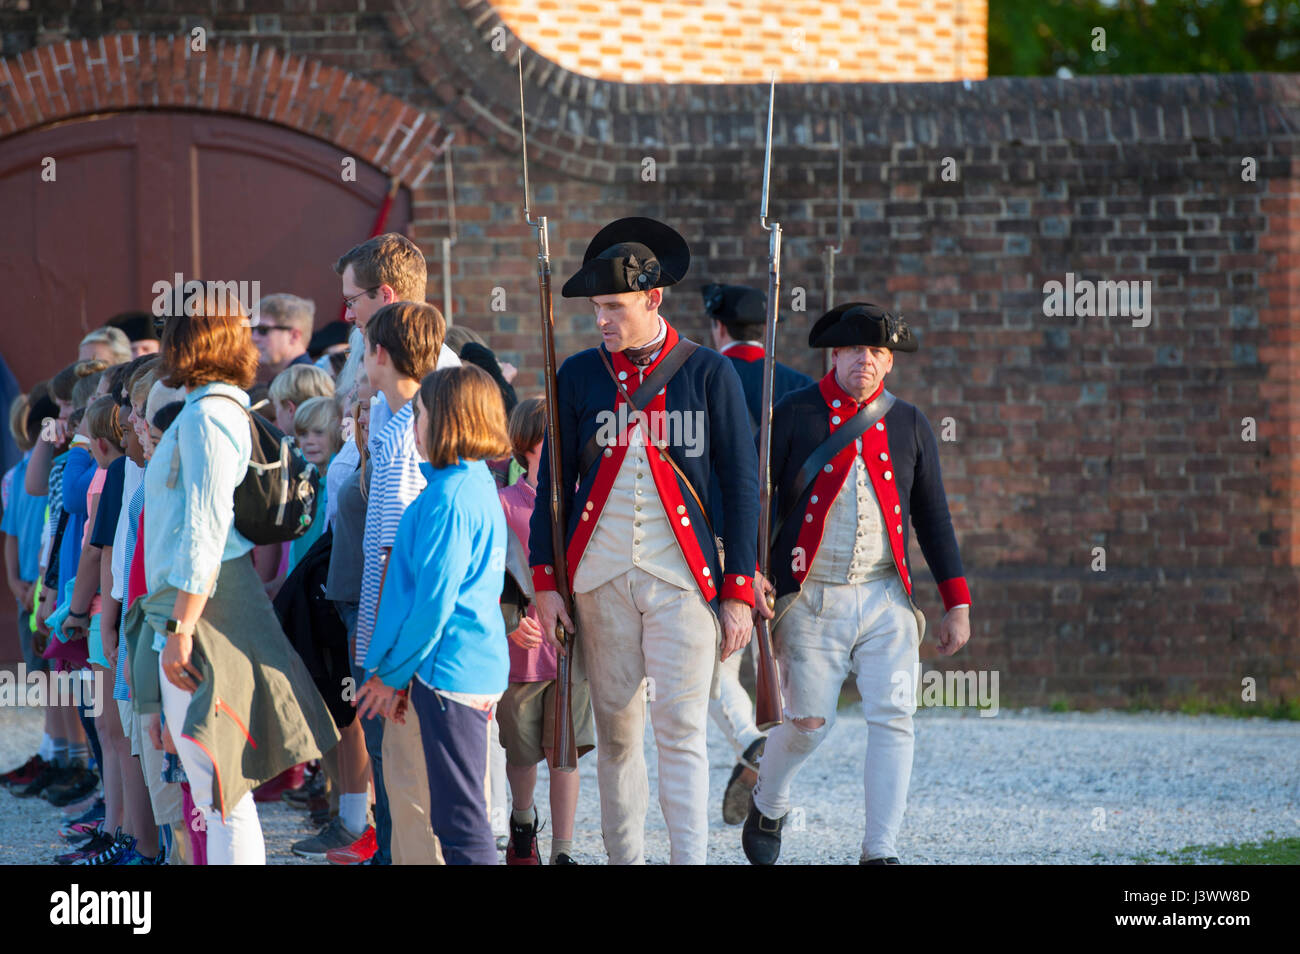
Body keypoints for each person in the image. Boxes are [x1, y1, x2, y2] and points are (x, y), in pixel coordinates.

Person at [529, 216, 760, 865]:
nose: (602, 320)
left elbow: (742, 489)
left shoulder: (709, 373)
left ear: (653, 299)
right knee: (619, 735)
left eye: (615, 307)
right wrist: (547, 583)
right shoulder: (576, 375)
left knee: (682, 731)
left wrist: (738, 590)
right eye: (598, 308)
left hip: (684, 580)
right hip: (598, 579)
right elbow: (553, 485)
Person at [742, 302, 972, 866]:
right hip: (810, 595)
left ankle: (879, 850)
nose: (865, 360)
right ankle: (769, 800)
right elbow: (754, 500)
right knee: (807, 725)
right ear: (834, 354)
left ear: (889, 362)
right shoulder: (791, 414)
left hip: (885, 595)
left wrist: (956, 603)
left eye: (878, 352)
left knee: (895, 720)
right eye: (855, 350)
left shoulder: (910, 422)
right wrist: (750, 574)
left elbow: (933, 517)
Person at [140, 295, 339, 865]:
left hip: (206, 606)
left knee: (221, 788)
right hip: (202, 601)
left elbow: (204, 528)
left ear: (191, 343)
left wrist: (179, 629)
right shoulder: (209, 410)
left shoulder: (207, 417)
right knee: (217, 788)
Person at [355, 363, 511, 865]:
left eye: (419, 414)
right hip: (451, 668)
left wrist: (390, 677)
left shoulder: (450, 498)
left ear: (447, 421)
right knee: (453, 815)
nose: (414, 425)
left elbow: (432, 605)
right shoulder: (467, 484)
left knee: (460, 822)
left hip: (449, 672)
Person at [701, 282, 815, 824]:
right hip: (785, 550)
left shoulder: (700, 377)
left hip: (721, 545)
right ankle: (771, 781)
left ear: (718, 328)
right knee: (779, 676)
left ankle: (754, 749)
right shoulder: (797, 386)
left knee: (718, 674)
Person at [353, 300, 448, 865]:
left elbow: (396, 554)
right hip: (395, 638)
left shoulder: (403, 437)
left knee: (404, 777)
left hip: (398, 646)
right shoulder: (394, 427)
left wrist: (388, 660)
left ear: (379, 354)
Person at [497, 398, 594, 865]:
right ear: (526, 445)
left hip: (572, 650)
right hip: (524, 652)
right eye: (548, 438)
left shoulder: (582, 501)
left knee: (565, 753)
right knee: (520, 751)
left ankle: (563, 849)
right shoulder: (503, 502)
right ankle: (521, 822)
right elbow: (490, 574)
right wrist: (509, 622)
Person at [253, 293, 318, 382]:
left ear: (294, 336)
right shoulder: (290, 381)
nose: (254, 338)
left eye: (263, 330)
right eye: (252, 329)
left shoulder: (305, 386)